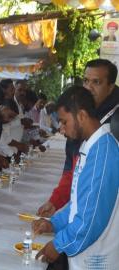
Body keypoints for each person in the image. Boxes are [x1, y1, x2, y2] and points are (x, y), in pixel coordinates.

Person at [33, 86, 119, 270]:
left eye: (63, 121)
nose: (61, 129)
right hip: (89, 262)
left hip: (96, 269)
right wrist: (56, 222)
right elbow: (80, 200)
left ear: (81, 115)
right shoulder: (89, 146)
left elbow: (90, 220)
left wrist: (59, 244)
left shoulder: (102, 151)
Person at [38, 59, 119, 217]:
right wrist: (56, 201)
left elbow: (97, 195)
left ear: (110, 87)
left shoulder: (116, 121)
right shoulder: (80, 113)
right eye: (86, 81)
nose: (89, 87)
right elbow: (72, 170)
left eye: (97, 82)